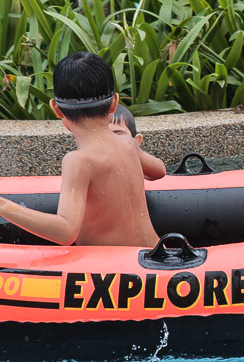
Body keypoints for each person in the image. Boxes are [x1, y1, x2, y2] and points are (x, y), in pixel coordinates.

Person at [0, 52, 160, 247]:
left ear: (56, 109)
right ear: (114, 103)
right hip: (156, 254)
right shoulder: (129, 144)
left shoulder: (79, 161)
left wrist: (3, 206)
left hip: (116, 264)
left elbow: (66, 232)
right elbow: (159, 171)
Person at [109, 103, 167, 181]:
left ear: (136, 141)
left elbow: (160, 172)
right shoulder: (94, 160)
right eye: (102, 135)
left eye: (118, 134)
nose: (110, 139)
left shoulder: (133, 158)